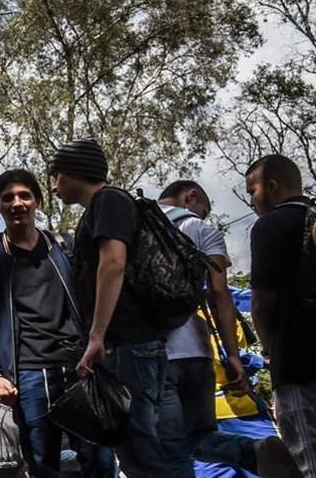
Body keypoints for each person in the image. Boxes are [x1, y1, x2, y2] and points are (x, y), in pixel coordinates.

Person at [0, 169, 113, 477]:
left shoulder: (64, 246)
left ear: (38, 202)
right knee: (43, 465)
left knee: (99, 461)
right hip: (29, 376)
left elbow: (93, 298)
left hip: (79, 366)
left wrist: (100, 342)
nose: (17, 203)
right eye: (7, 198)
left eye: (24, 196)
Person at [49, 138, 182, 476]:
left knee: (145, 445)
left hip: (131, 345)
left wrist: (96, 336)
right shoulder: (100, 208)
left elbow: (113, 264)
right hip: (120, 347)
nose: (53, 186)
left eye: (56, 176)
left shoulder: (109, 200)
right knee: (131, 449)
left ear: (74, 172)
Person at [156, 179, 300, 475]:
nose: (204, 216)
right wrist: (232, 355)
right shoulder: (200, 229)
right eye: (204, 209)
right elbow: (220, 294)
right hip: (197, 355)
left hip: (154, 353)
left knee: (165, 449)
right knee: (198, 438)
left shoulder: (131, 223)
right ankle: (252, 450)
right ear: (191, 196)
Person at [246, 154, 316, 474]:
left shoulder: (270, 225)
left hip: (296, 358)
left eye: (252, 191)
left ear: (271, 187)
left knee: (308, 456)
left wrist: (268, 347)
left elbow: (261, 303)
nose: (251, 201)